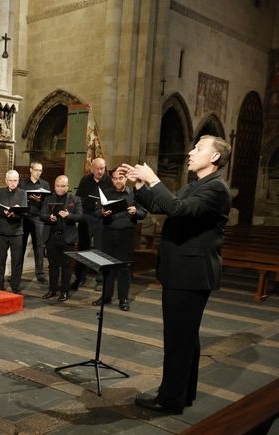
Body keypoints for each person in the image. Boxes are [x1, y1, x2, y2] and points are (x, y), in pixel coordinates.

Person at [120, 135, 232, 414]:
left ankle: (169, 399)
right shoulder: (196, 185)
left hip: (191, 273)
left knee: (178, 340)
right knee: (186, 339)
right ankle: (183, 394)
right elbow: (162, 206)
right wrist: (140, 185)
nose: (190, 152)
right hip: (184, 272)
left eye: (199, 148)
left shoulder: (216, 188)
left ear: (215, 157)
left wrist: (154, 179)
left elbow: (177, 209)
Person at [92, 168, 147, 311]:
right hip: (108, 233)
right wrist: (102, 212)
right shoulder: (106, 193)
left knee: (124, 268)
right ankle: (106, 296)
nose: (118, 181)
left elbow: (143, 213)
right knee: (107, 266)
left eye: (120, 178)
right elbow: (96, 212)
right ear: (112, 179)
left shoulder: (134, 194)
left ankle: (123, 299)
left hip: (126, 235)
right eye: (115, 178)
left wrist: (136, 211)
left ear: (126, 178)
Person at [40, 175, 82, 302]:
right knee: (52, 265)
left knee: (66, 266)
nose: (59, 188)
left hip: (67, 238)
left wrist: (69, 216)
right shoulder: (48, 199)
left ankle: (64, 292)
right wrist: (49, 218)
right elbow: (42, 215)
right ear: (54, 186)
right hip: (51, 237)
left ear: (67, 187)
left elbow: (79, 216)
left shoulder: (75, 199)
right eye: (57, 186)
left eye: (63, 186)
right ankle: (52, 290)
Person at [73, 157, 113, 290]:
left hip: (101, 219)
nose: (100, 171)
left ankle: (100, 279)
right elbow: (79, 199)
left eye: (102, 168)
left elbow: (112, 199)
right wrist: (91, 203)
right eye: (97, 169)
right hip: (86, 217)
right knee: (82, 248)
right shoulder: (85, 180)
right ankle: (80, 278)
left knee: (99, 249)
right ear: (92, 169)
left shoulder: (109, 181)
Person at [0, 170, 27, 293]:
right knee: (1, 259)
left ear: (18, 181)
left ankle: (15, 285)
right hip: (2, 230)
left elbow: (24, 211)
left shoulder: (22, 193)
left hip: (16, 231)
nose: (12, 183)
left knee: (16, 260)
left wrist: (14, 213)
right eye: (10, 181)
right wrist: (4, 211)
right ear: (6, 181)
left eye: (15, 180)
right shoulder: (0, 192)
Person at [19, 160, 50, 284]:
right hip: (24, 217)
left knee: (39, 246)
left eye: (40, 170)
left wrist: (39, 200)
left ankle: (40, 274)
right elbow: (18, 200)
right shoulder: (22, 184)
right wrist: (27, 199)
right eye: (36, 170)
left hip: (38, 218)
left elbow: (48, 203)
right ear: (31, 170)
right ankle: (17, 273)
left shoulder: (45, 184)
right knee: (20, 246)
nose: (38, 173)